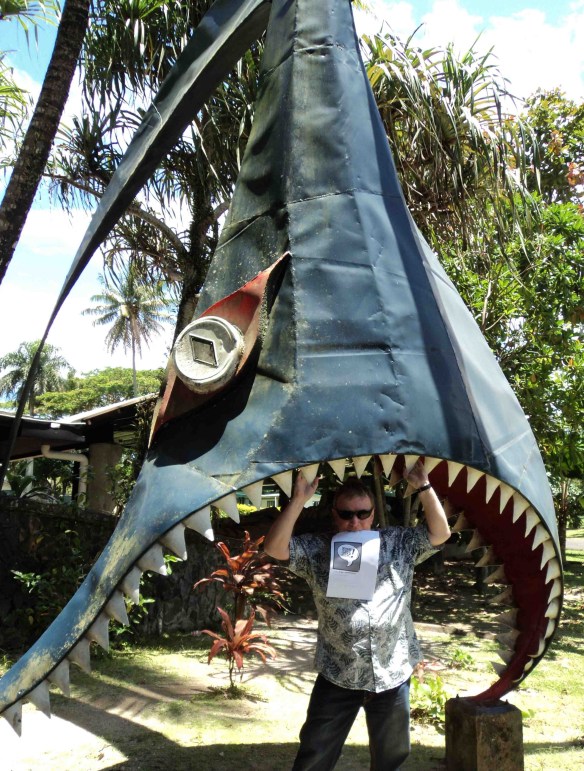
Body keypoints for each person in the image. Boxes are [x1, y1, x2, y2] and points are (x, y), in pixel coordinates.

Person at [263, 461, 451, 771]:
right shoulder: (318, 549)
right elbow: (275, 548)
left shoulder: (397, 543)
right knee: (315, 754)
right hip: (339, 672)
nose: (355, 522)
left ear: (373, 514)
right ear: (334, 514)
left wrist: (424, 487)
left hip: (391, 671)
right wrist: (298, 499)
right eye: (347, 514)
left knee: (391, 758)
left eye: (363, 513)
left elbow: (440, 533)